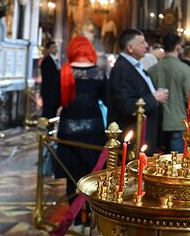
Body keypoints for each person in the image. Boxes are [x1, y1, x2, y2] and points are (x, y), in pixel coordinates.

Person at [53, 36, 107, 225]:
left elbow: (54, 101)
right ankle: (91, 217)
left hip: (69, 129)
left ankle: (74, 218)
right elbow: (106, 100)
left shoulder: (64, 72)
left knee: (71, 175)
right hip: (94, 129)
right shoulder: (99, 73)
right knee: (93, 174)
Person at [108, 29, 169, 154]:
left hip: (145, 133)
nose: (146, 45)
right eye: (142, 42)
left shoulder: (134, 66)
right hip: (134, 136)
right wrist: (154, 98)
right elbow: (127, 106)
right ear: (130, 47)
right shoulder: (122, 69)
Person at [148, 34, 190, 152]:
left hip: (158, 121)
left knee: (158, 158)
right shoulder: (185, 69)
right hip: (178, 120)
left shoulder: (153, 69)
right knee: (177, 159)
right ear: (178, 47)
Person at [40, 40, 61, 118]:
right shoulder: (46, 60)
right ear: (48, 50)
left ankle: (51, 125)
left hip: (55, 90)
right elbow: (47, 77)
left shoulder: (56, 60)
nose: (55, 49)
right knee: (47, 112)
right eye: (53, 47)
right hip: (49, 91)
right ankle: (46, 125)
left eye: (55, 47)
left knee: (53, 112)